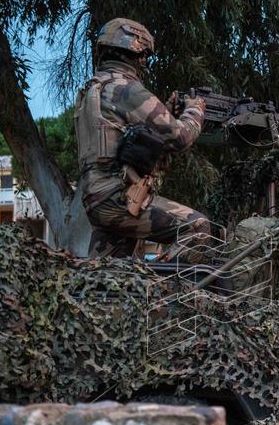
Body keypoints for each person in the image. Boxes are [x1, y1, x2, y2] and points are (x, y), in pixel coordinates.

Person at [74, 17, 210, 260]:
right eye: (144, 55)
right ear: (136, 51)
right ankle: (163, 293)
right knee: (196, 227)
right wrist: (195, 110)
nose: (145, 61)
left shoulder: (94, 89)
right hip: (118, 198)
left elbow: (133, 139)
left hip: (96, 199)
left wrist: (166, 112)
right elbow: (180, 137)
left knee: (105, 279)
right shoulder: (125, 88)